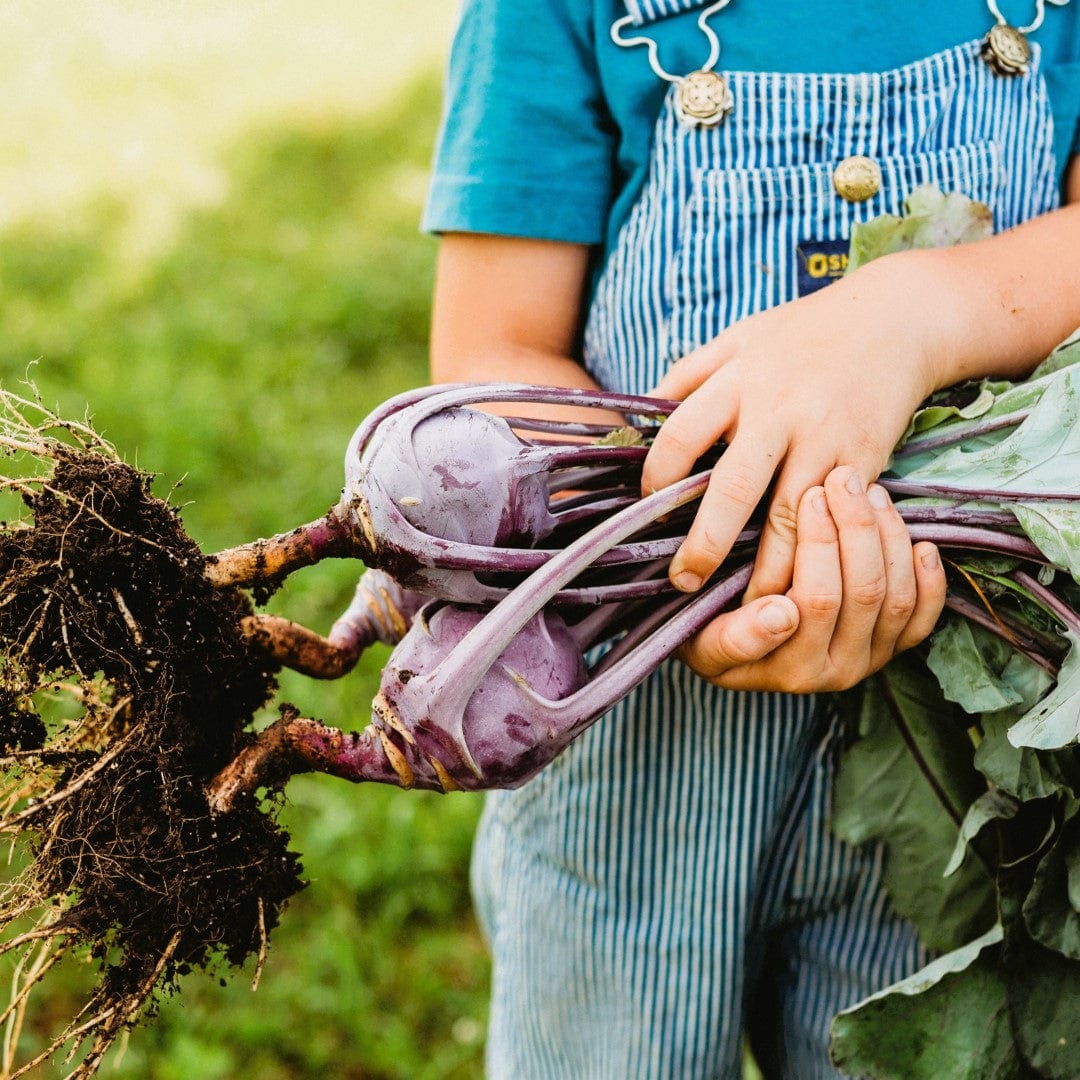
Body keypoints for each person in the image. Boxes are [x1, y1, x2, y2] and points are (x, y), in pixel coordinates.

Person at [422, 1, 1080, 1075]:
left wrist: (911, 313)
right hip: (626, 729)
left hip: (972, 759)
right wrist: (683, 567)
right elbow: (494, 352)